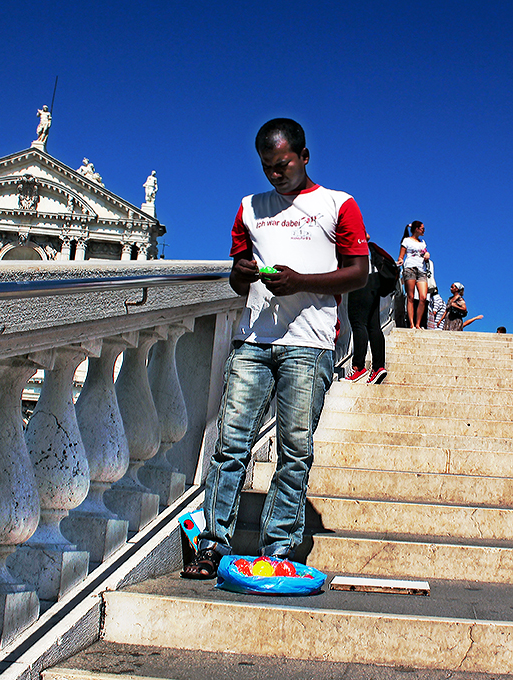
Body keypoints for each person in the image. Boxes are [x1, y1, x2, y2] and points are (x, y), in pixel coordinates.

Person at [180, 118, 369, 579]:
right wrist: (241, 274)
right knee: (230, 445)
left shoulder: (337, 204)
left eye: (283, 165)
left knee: (295, 449)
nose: (275, 175)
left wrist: (300, 282)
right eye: (267, 168)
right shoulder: (249, 207)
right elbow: (235, 274)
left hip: (311, 342)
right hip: (254, 339)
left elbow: (359, 272)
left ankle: (277, 552)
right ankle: (212, 545)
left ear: (304, 156)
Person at [343, 232, 387, 384]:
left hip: (359, 275)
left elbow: (365, 235)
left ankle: (358, 366)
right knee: (373, 325)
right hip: (373, 276)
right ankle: (378, 367)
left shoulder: (345, 226)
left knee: (358, 323)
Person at [397, 221, 430, 329]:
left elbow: (424, 252)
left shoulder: (422, 243)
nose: (424, 230)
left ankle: (418, 323)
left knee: (423, 297)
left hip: (421, 270)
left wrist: (427, 254)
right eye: (422, 228)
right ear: (416, 229)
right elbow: (401, 256)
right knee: (410, 296)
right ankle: (411, 324)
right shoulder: (406, 240)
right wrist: (400, 261)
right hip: (410, 268)